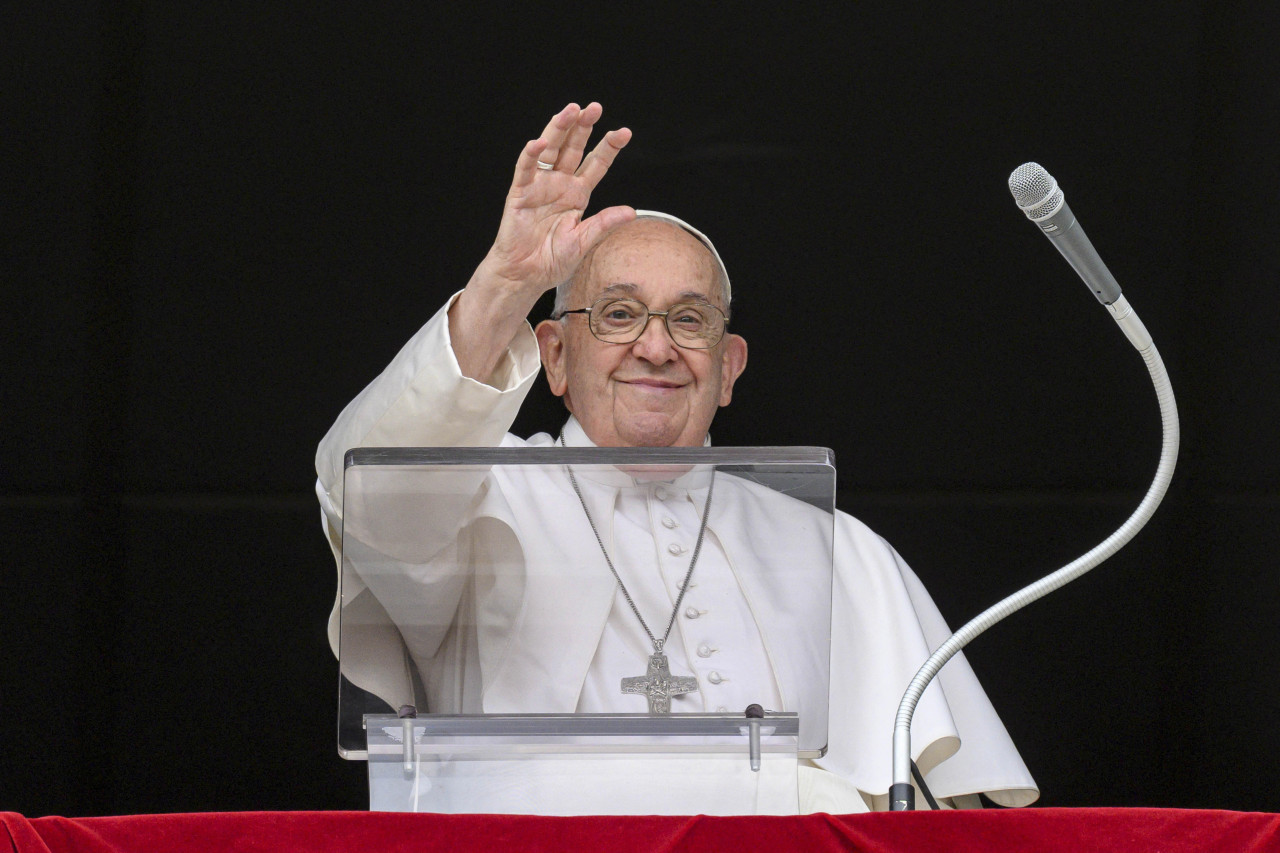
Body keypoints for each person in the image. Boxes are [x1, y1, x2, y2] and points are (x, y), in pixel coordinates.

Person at [315, 102, 1038, 812]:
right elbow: (367, 497)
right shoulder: (472, 493)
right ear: (556, 357)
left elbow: (940, 819)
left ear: (729, 368)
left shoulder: (841, 551)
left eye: (689, 320)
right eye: (619, 314)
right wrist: (503, 286)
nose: (656, 348)